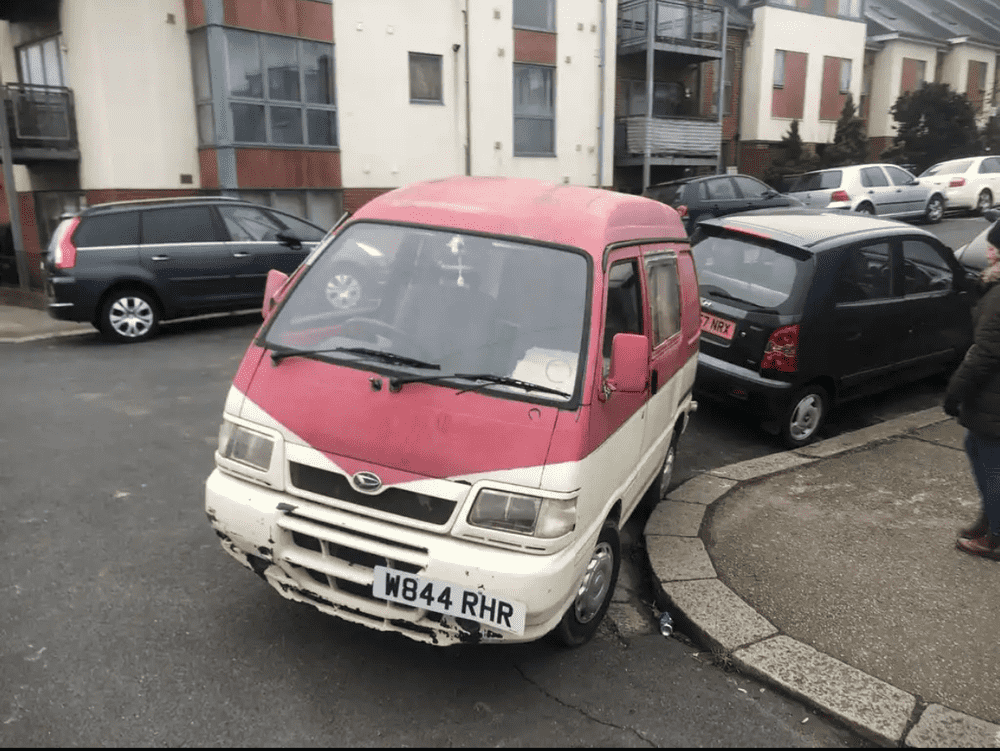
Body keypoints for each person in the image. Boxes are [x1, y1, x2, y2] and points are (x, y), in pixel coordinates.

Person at [944, 220, 1000, 560]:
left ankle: (995, 537)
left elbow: (985, 353)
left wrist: (955, 393)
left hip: (993, 398)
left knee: (992, 464)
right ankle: (989, 520)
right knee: (978, 450)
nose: (989, 250)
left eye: (995, 246)